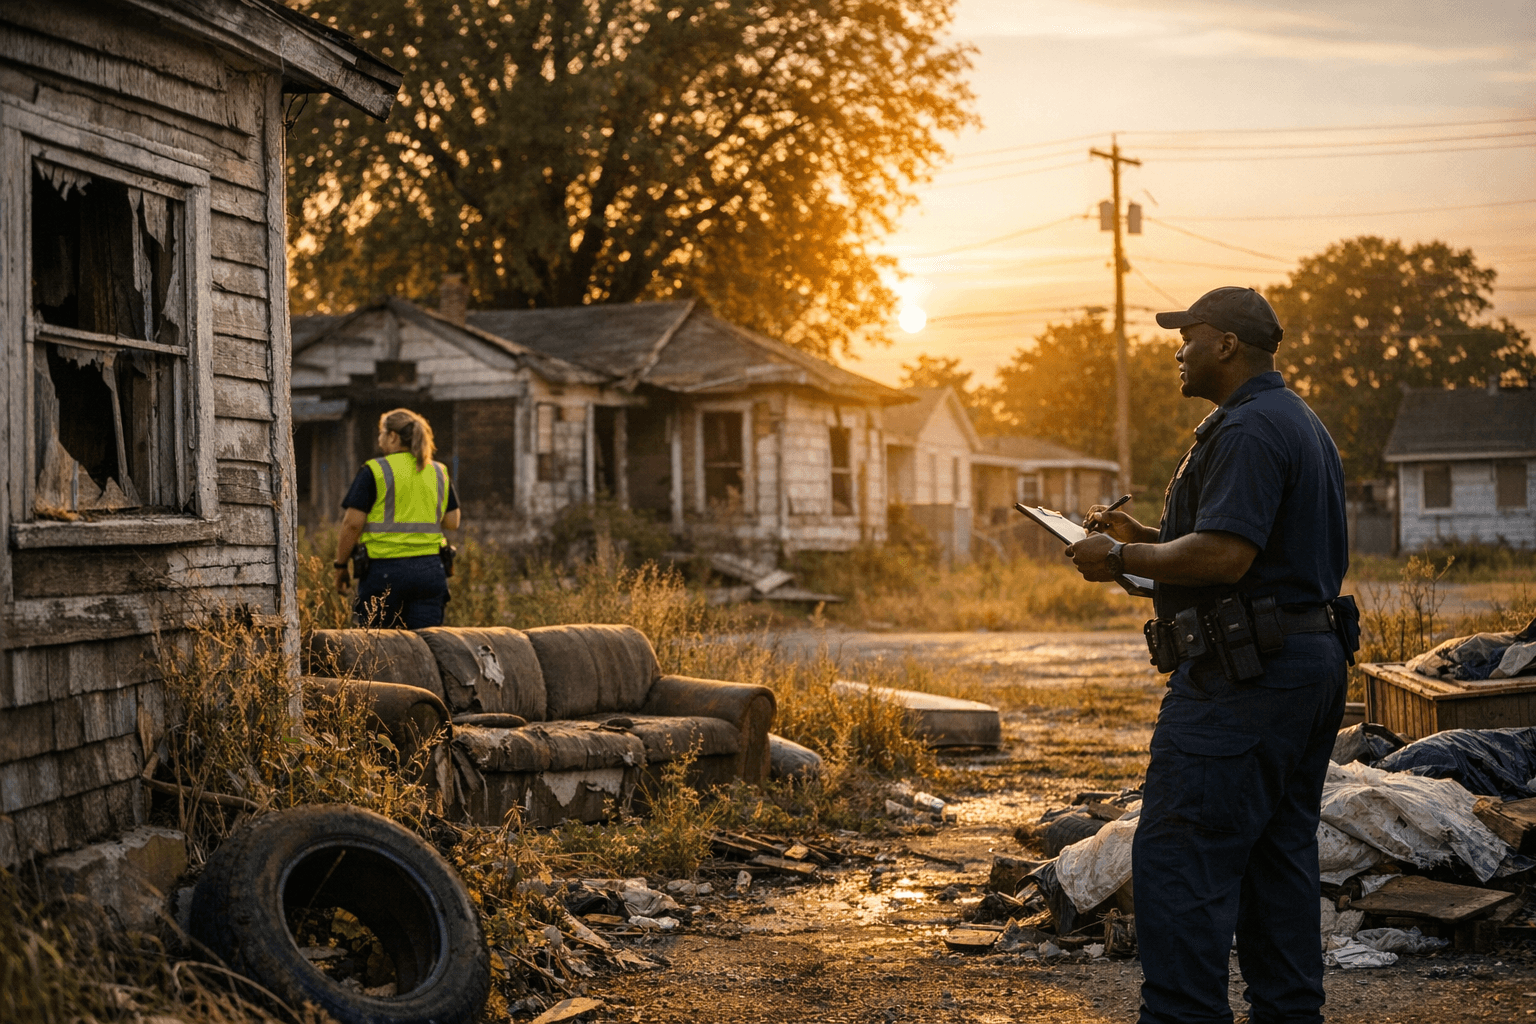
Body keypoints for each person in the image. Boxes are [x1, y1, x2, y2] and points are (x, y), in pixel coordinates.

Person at [1065, 286, 1358, 1024]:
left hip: (1247, 682)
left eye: (1188, 336)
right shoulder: (1294, 420)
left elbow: (1226, 556)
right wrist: (1143, 541)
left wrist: (1123, 551)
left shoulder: (1250, 429)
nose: (1177, 349)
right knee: (1275, 860)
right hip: (1300, 661)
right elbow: (1243, 558)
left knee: (1182, 857)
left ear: (1227, 345)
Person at [333, 408, 461, 629]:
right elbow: (453, 522)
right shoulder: (439, 471)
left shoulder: (374, 471)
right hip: (430, 570)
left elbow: (352, 524)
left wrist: (341, 566)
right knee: (426, 648)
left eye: (382, 432)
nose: (380, 438)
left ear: (393, 436)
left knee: (378, 651)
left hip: (384, 572)